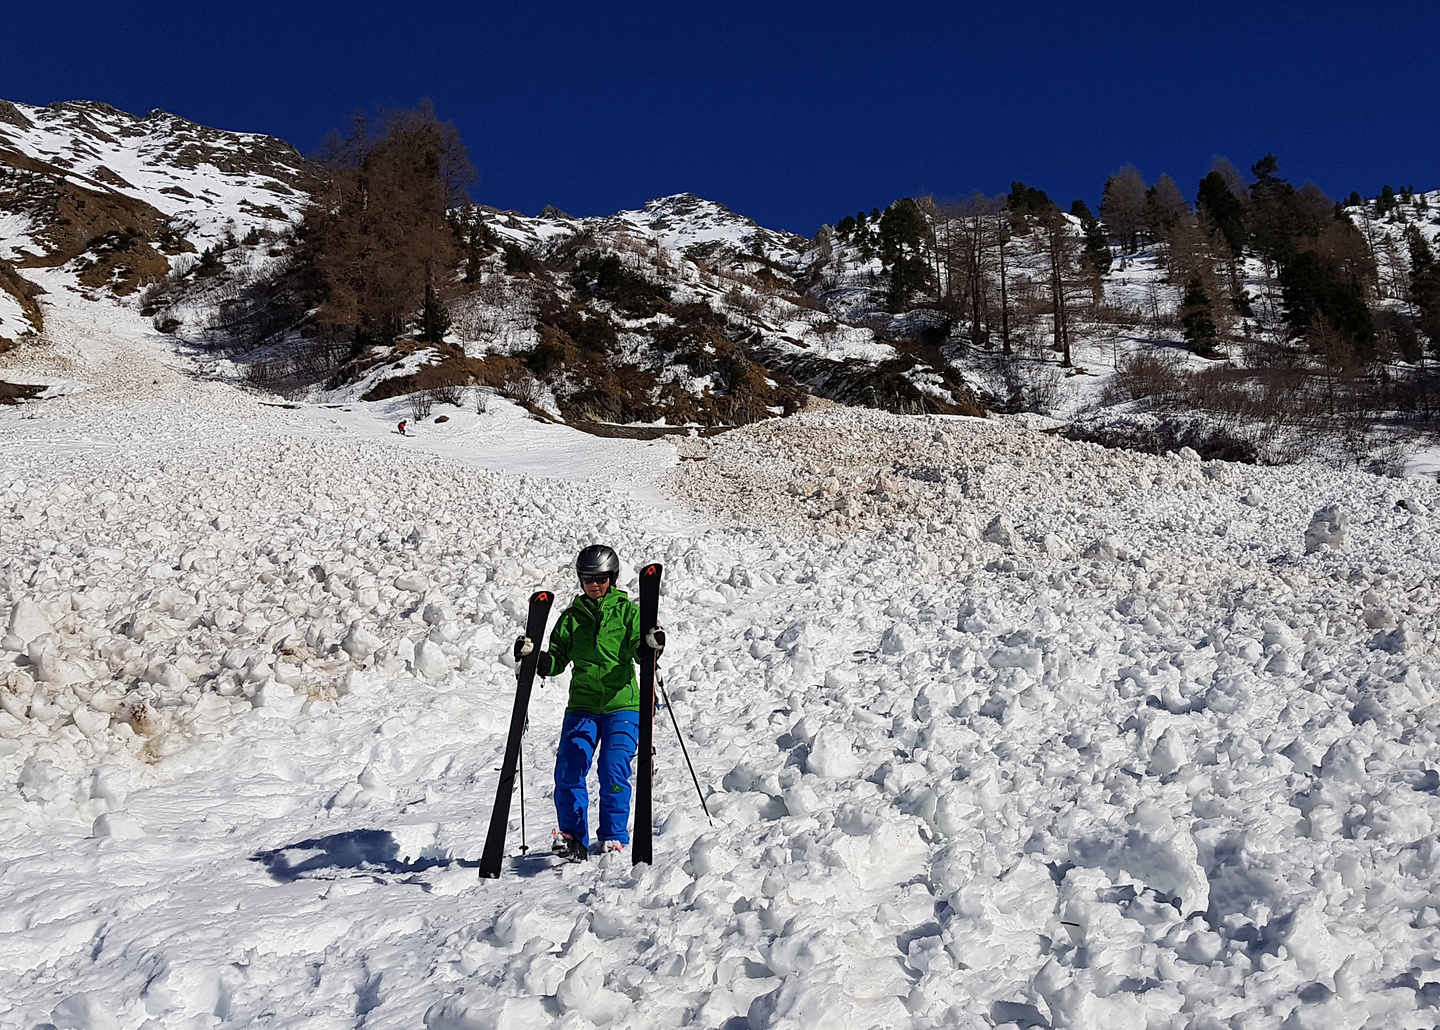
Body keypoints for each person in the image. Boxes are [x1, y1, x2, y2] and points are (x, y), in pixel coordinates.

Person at [513, 545, 664, 862]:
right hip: (582, 706)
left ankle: (613, 836)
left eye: (600, 579)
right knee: (568, 770)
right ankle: (573, 838)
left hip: (622, 704)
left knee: (612, 768)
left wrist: (651, 644)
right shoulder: (571, 620)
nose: (594, 585)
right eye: (587, 579)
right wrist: (536, 659)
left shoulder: (627, 614)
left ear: (612, 578)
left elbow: (639, 650)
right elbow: (556, 660)